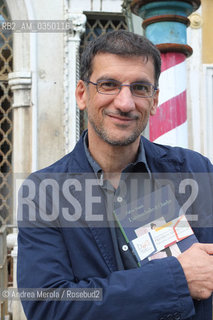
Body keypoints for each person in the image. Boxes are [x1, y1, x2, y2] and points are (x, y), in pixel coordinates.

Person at [17, 30, 213, 320]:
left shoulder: (195, 172)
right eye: (108, 85)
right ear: (83, 94)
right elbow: (49, 306)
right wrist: (176, 279)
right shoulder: (45, 193)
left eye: (140, 88)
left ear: (155, 100)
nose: (124, 103)